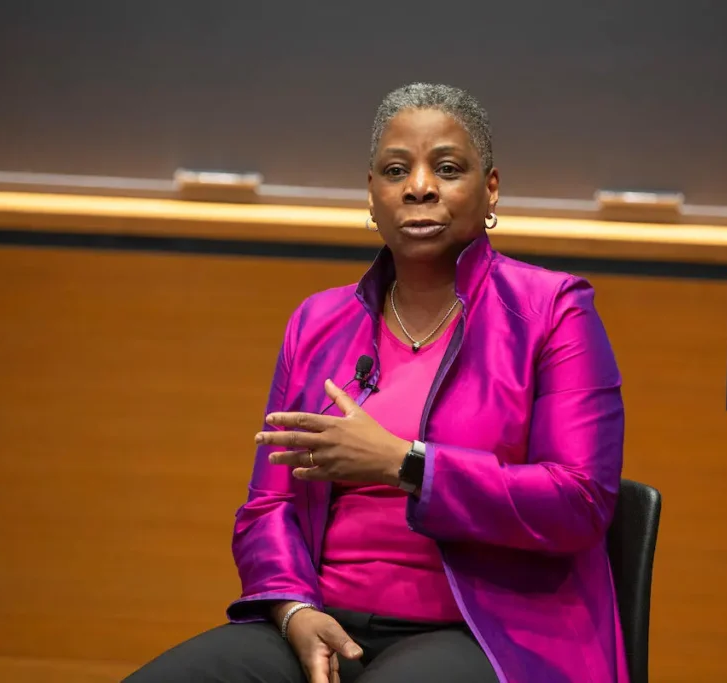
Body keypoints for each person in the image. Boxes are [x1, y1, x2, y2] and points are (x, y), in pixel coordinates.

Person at [124, 82, 628, 683]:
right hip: (322, 620)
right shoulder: (317, 323)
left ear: (490, 189)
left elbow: (579, 501)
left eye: (446, 168)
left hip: (485, 634)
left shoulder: (553, 310)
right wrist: (291, 609)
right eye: (396, 170)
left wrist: (407, 465)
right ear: (372, 194)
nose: (419, 187)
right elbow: (269, 506)